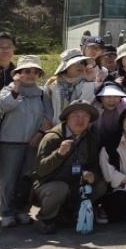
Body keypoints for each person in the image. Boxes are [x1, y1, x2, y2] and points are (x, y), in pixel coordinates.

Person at [0, 56, 53, 228]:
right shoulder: (7, 90)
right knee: (8, 180)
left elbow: (48, 116)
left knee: (26, 180)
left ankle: (22, 210)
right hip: (10, 143)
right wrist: (17, 87)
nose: (31, 75)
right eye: (26, 71)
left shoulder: (42, 94)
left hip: (33, 143)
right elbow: (5, 106)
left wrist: (40, 133)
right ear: (18, 73)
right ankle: (6, 211)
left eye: (35, 72)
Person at [32, 100, 106, 235]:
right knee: (59, 188)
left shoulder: (90, 138)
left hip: (75, 184)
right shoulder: (52, 138)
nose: (80, 120)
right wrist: (59, 154)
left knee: (100, 185)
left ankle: (73, 212)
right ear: (67, 118)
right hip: (48, 185)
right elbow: (40, 170)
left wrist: (92, 174)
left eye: (85, 116)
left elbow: (94, 164)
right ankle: (46, 219)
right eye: (75, 115)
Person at [45, 49, 97, 124]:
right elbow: (46, 107)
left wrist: (89, 81)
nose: (81, 65)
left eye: (82, 62)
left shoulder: (88, 83)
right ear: (66, 66)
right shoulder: (52, 83)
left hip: (78, 127)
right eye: (76, 62)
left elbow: (86, 105)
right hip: (55, 127)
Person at [93, 82, 126, 146]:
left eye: (116, 96)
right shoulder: (94, 108)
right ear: (101, 98)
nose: (112, 100)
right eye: (108, 96)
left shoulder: (125, 107)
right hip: (96, 143)